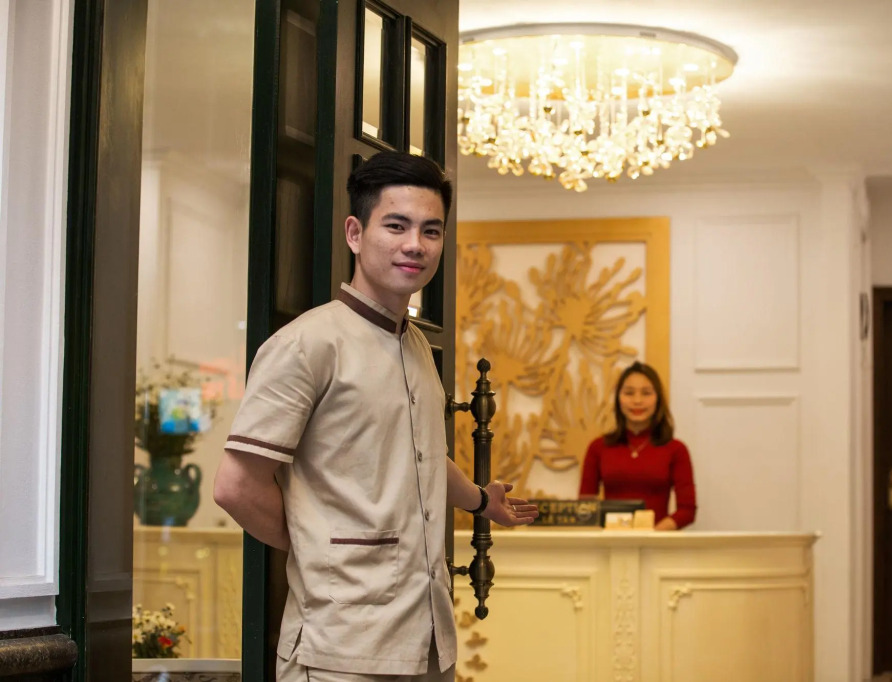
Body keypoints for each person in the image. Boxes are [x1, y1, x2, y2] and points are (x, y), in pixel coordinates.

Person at [213, 151, 538, 682]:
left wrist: (481, 500)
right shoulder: (307, 344)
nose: (416, 244)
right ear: (355, 233)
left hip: (428, 639)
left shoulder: (415, 345)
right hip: (339, 648)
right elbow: (236, 486)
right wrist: (325, 550)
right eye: (396, 225)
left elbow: (422, 457)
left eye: (431, 230)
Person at [578, 361, 696, 530]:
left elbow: (687, 510)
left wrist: (652, 535)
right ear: (618, 399)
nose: (637, 400)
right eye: (629, 393)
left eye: (646, 393)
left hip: (657, 540)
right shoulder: (598, 448)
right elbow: (585, 507)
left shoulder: (676, 450)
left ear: (658, 399)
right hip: (609, 541)